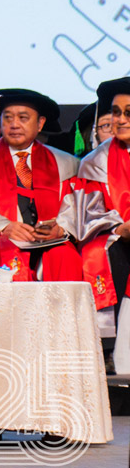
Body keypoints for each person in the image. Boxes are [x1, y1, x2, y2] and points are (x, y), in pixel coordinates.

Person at [0, 89, 89, 283]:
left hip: (49, 242)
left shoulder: (66, 164)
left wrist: (60, 228)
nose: (14, 124)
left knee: (64, 255)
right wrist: (4, 226)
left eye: (23, 118)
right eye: (7, 118)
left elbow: (77, 208)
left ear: (40, 123)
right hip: (2, 240)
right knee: (0, 252)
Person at [73, 78, 130, 368]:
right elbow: (88, 212)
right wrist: (120, 227)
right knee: (104, 252)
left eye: (128, 113)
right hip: (118, 237)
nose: (120, 119)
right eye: (116, 112)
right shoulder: (96, 161)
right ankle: (108, 350)